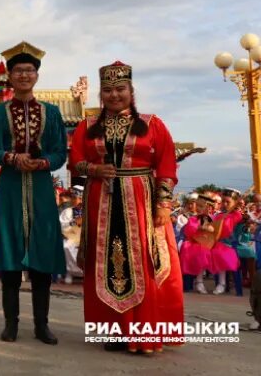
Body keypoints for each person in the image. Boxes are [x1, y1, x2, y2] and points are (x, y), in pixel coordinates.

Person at [69, 61, 184, 354]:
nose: (114, 95)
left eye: (120, 89)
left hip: (141, 200)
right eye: (107, 90)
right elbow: (75, 161)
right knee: (104, 263)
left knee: (143, 261)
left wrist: (164, 203)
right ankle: (114, 332)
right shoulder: (88, 126)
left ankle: (144, 334)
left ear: (131, 90)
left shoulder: (152, 123)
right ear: (101, 94)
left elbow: (167, 165)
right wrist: (94, 169)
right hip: (102, 198)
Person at [0, 42, 67, 345]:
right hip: (11, 187)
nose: (24, 75)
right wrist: (10, 158)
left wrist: (43, 162)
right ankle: (11, 324)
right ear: (10, 77)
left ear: (37, 76)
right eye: (18, 71)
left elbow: (60, 152)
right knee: (11, 254)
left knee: (41, 253)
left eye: (30, 71)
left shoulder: (52, 113)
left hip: (41, 188)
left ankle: (42, 325)